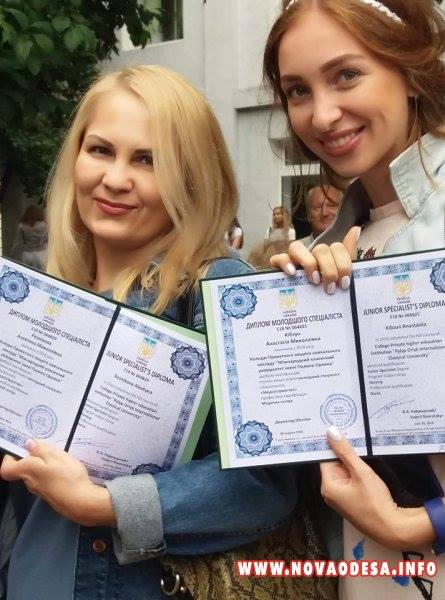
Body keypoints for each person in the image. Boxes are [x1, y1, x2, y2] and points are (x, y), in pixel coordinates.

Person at [0, 65, 298, 600]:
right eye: (100, 150)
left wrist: (108, 505)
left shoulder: (218, 288)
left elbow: (264, 481)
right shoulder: (42, 294)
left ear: (192, 177)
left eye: (148, 160)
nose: (116, 179)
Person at [264, 0, 445, 597]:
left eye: (346, 74)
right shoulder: (330, 246)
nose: (321, 114)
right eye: (297, 90)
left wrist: (420, 524)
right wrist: (290, 324)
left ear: (410, 70)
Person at [10, 204, 48, 270]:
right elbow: (47, 239)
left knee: (28, 272)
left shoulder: (22, 226)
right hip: (41, 253)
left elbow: (17, 241)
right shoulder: (43, 225)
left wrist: (12, 253)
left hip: (27, 254)